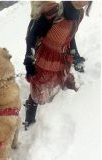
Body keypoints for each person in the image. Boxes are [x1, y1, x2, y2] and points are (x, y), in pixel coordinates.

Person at [23, 1, 92, 129]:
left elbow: (70, 36)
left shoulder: (79, 14)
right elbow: (32, 34)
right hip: (45, 56)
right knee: (39, 88)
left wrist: (75, 54)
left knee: (66, 82)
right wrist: (29, 57)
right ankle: (30, 117)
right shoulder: (54, 11)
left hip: (61, 56)